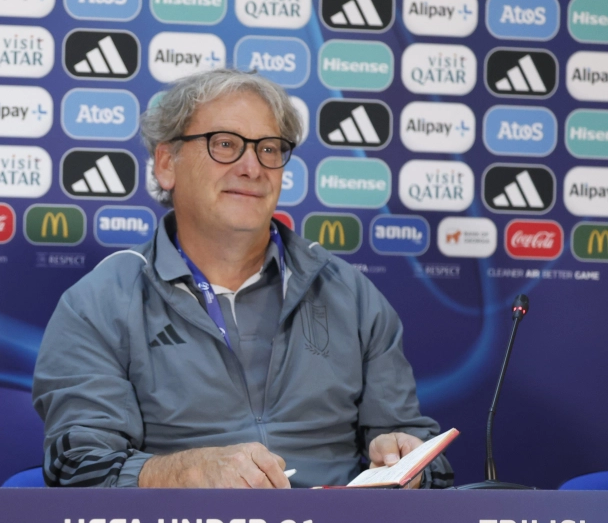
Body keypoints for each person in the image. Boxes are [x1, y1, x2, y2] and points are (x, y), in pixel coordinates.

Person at [33, 68, 452, 489]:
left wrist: (408, 457)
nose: (252, 167)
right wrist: (185, 473)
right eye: (226, 144)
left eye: (270, 149)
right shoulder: (100, 302)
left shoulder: (351, 294)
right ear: (166, 164)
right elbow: (78, 467)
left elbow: (428, 460)